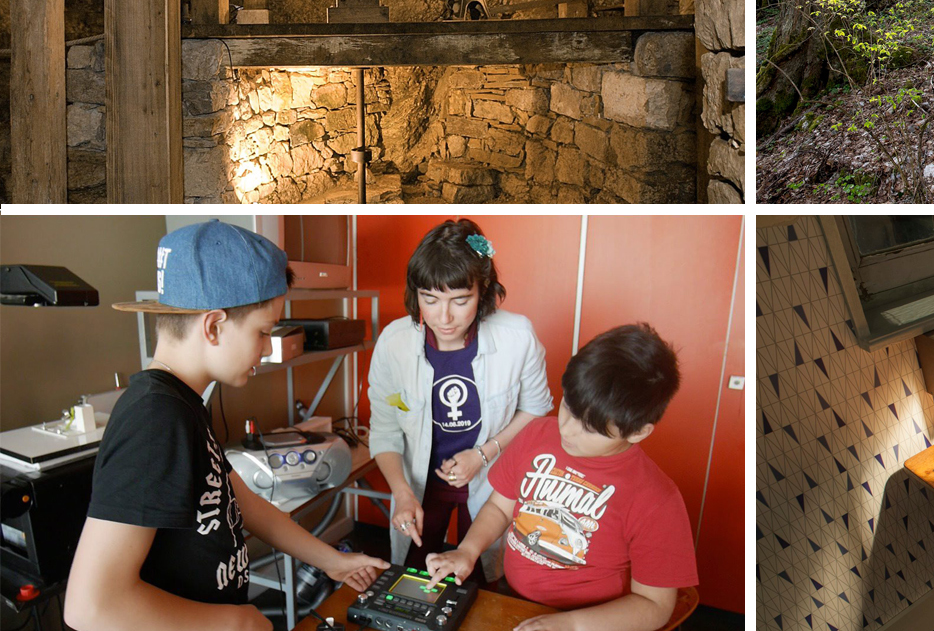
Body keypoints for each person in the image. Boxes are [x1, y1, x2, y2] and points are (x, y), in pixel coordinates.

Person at [65, 221, 388, 631]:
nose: (267, 347)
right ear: (214, 326)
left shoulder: (184, 405)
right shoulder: (155, 419)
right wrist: (238, 623)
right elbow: (90, 607)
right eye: (263, 332)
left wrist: (333, 562)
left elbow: (244, 502)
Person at [425, 324, 698, 631]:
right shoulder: (536, 434)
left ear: (638, 431)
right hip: (514, 599)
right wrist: (468, 550)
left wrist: (569, 625)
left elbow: (654, 606)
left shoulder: (656, 499)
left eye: (590, 429)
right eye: (568, 407)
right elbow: (500, 507)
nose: (566, 430)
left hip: (591, 622)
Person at [368, 218, 553, 581]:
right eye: (430, 299)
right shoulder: (394, 343)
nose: (444, 317)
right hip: (421, 484)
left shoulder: (517, 337)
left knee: (484, 576)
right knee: (413, 575)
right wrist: (402, 491)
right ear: (416, 292)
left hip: (491, 482)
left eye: (461, 300)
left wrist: (483, 453)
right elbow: (385, 428)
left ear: (483, 288)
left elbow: (536, 410)